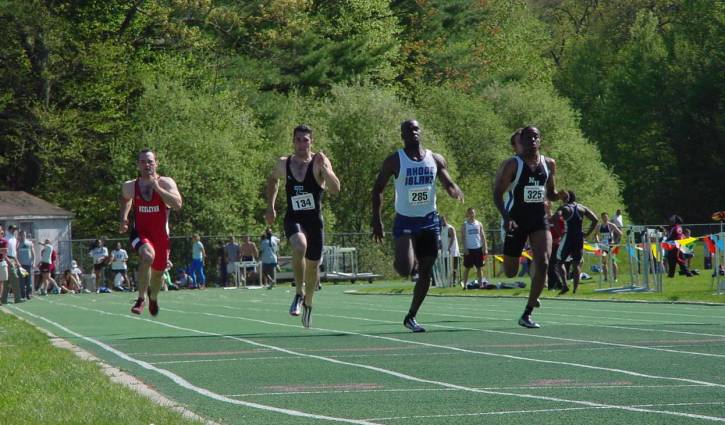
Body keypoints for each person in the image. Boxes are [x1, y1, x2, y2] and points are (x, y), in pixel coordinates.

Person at [372, 119, 464, 332]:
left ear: (420, 132)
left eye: (415, 129)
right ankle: (406, 259)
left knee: (427, 271)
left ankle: (412, 315)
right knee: (404, 269)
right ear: (402, 135)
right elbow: (377, 190)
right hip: (405, 219)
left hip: (429, 220)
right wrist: (376, 220)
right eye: (408, 130)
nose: (413, 132)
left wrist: (454, 190)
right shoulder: (395, 160)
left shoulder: (435, 159)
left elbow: (447, 182)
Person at [266, 124, 341, 328]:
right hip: (294, 218)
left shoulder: (319, 162)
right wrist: (271, 207)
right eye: (298, 139)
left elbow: (335, 189)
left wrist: (325, 170)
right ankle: (298, 293)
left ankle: (308, 303)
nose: (301, 144)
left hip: (314, 221)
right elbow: (273, 180)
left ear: (311, 142)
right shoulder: (284, 163)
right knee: (299, 246)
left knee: (313, 267)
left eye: (305, 140)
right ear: (293, 141)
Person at [493, 126, 566, 328]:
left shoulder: (549, 163)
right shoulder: (512, 165)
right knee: (510, 272)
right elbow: (497, 194)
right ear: (521, 141)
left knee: (543, 261)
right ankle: (531, 283)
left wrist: (559, 195)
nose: (532, 140)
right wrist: (506, 218)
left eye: (535, 137)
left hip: (539, 220)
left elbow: (549, 193)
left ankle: (528, 312)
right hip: (516, 220)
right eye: (528, 137)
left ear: (540, 140)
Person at [120, 149, 183, 316]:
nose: (146, 165)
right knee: (148, 256)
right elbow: (126, 199)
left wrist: (158, 188)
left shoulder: (166, 183)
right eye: (143, 162)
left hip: (161, 235)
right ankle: (141, 299)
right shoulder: (130, 186)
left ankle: (153, 297)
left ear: (156, 163)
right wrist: (124, 218)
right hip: (140, 232)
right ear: (138, 165)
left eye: (149, 161)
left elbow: (177, 204)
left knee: (157, 276)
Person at [554, 191, 598, 294]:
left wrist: (560, 233)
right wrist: (587, 234)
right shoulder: (582, 207)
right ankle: (575, 289)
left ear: (567, 198)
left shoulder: (564, 208)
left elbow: (555, 218)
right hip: (579, 237)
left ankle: (565, 285)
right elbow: (595, 219)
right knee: (576, 263)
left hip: (568, 236)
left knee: (559, 262)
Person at [460, 207, 487, 289]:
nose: (472, 214)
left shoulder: (479, 224)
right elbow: (463, 237)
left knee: (479, 268)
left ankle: (481, 284)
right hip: (469, 249)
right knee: (467, 268)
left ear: (475, 213)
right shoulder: (465, 224)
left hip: (478, 248)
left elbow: (483, 236)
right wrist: (465, 248)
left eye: (473, 213)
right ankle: (464, 285)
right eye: (470, 213)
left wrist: (485, 248)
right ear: (467, 214)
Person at [594, 212, 622, 282]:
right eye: (603, 217)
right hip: (603, 245)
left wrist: (615, 242)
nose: (605, 219)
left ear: (608, 218)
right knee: (604, 262)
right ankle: (605, 278)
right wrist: (598, 241)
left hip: (611, 245)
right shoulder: (599, 226)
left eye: (606, 217)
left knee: (613, 261)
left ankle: (615, 278)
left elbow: (620, 233)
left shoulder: (611, 225)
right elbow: (596, 234)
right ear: (601, 218)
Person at [439, 215, 460, 287]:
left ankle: (454, 282)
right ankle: (448, 282)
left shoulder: (450, 228)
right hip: (445, 253)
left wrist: (449, 248)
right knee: (446, 268)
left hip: (452, 252)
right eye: (441, 221)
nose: (442, 222)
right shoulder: (442, 229)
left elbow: (453, 238)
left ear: (446, 220)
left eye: (443, 220)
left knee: (454, 267)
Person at [16, 230, 35, 300]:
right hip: (22, 265)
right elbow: (17, 254)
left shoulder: (29, 243)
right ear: (20, 236)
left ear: (25, 235)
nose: (23, 236)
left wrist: (33, 261)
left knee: (29, 280)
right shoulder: (18, 244)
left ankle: (28, 294)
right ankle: (22, 294)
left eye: (24, 235)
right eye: (22, 235)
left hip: (28, 265)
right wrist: (18, 263)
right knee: (22, 281)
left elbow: (33, 253)